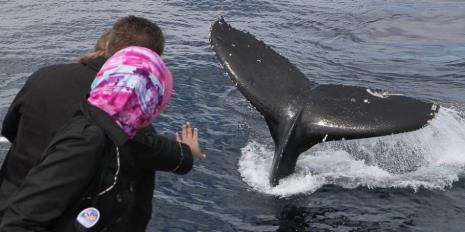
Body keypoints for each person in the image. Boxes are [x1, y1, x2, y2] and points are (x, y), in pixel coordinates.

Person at [0, 15, 197, 231]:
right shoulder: (99, 130)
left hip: (8, 198)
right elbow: (150, 148)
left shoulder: (44, 77)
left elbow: (10, 129)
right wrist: (185, 153)